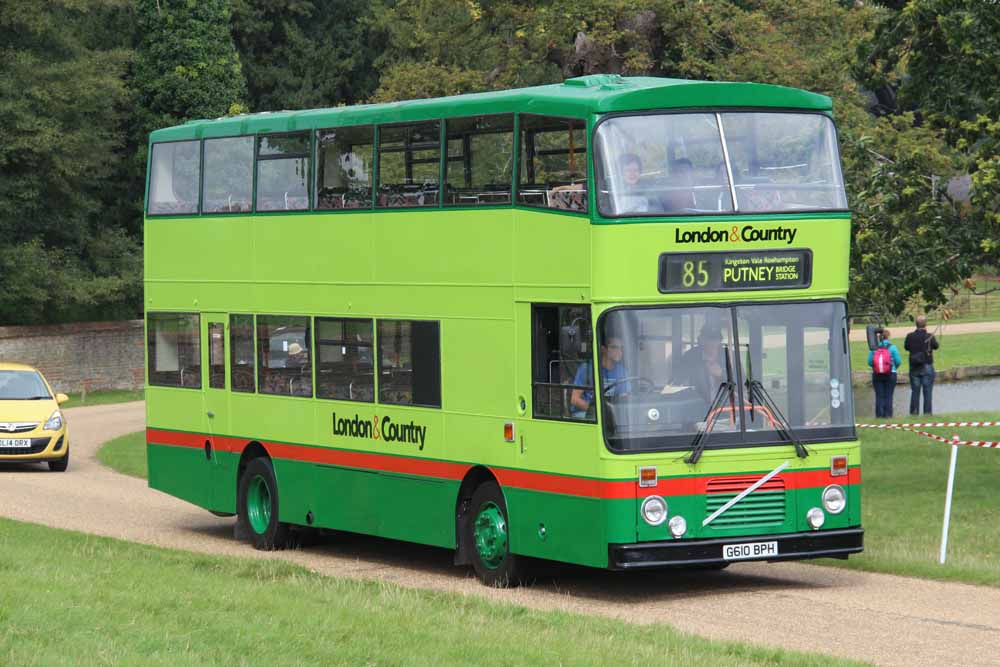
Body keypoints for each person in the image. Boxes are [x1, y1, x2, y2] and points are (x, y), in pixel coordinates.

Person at [569, 335, 628, 419]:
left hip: (612, 413)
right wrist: (598, 411)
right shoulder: (587, 368)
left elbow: (624, 397)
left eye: (621, 348)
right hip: (586, 412)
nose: (620, 351)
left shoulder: (622, 371)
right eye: (615, 347)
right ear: (603, 349)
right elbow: (574, 399)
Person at [675, 325, 727, 404]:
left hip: (726, 407)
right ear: (701, 340)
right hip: (697, 408)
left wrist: (721, 375)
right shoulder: (690, 357)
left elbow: (741, 385)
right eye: (709, 339)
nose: (713, 343)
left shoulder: (729, 356)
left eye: (716, 339)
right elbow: (678, 382)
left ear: (720, 341)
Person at [904, 315, 939, 415]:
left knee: (915, 391)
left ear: (916, 324)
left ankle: (914, 412)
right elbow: (936, 346)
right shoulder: (929, 336)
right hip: (927, 365)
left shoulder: (910, 336)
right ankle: (927, 413)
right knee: (927, 391)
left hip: (914, 366)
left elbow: (906, 347)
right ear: (925, 324)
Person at [867, 328, 902, 418]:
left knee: (879, 396)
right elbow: (898, 361)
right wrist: (893, 368)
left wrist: (876, 367)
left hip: (877, 374)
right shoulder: (893, 347)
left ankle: (879, 416)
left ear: (879, 338)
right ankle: (888, 416)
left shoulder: (874, 348)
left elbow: (870, 362)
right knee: (889, 395)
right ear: (888, 337)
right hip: (891, 374)